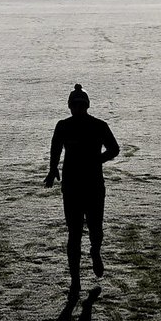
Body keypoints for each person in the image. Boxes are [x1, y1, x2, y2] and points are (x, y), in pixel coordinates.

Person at [44, 84, 120, 293]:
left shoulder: (89, 126)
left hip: (86, 185)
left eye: (79, 105)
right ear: (72, 106)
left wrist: (97, 160)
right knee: (77, 232)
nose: (77, 108)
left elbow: (114, 149)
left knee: (89, 230)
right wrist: (52, 169)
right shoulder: (76, 126)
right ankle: (76, 279)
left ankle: (94, 252)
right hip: (78, 186)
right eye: (75, 105)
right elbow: (56, 149)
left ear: (84, 106)